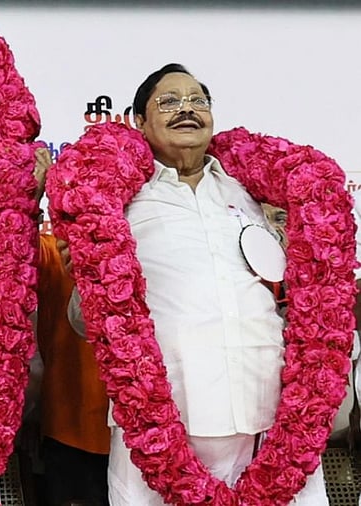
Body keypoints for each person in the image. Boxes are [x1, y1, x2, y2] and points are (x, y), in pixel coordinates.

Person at [69, 63, 327, 504]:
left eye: (198, 101)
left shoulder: (248, 193)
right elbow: (81, 317)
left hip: (268, 421)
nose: (186, 110)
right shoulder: (121, 201)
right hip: (163, 427)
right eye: (169, 102)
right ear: (139, 122)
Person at [34, 146, 110, 506]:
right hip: (70, 436)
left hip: (147, 437)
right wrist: (30, 202)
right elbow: (12, 253)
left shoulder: (149, 245)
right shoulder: (52, 250)